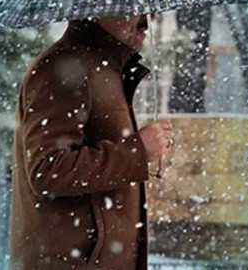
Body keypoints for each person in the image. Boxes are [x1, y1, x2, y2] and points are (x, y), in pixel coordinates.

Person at [9, 14, 174, 270]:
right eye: (135, 7)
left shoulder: (102, 68)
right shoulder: (63, 67)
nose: (148, 19)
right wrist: (137, 150)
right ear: (99, 7)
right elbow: (48, 170)